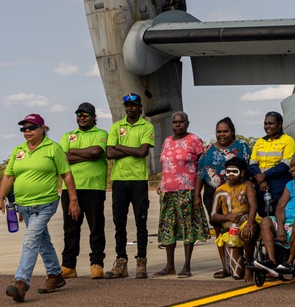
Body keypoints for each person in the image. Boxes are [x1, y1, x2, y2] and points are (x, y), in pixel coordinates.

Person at [0, 113, 80, 302]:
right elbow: (9, 177)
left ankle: (21, 282)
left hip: (45, 203)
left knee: (30, 240)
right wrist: (0, 199)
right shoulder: (18, 150)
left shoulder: (53, 149)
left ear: (42, 128)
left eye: (31, 127)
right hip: (23, 205)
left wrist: (73, 200)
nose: (27, 131)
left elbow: (66, 175)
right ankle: (55, 275)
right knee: (42, 241)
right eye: (24, 129)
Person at [105, 93, 155, 279]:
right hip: (119, 180)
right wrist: (124, 150)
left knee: (140, 222)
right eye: (127, 105)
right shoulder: (116, 127)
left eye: (133, 105)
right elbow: (109, 153)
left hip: (138, 180)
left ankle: (141, 261)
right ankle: (121, 262)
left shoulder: (146, 126)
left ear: (140, 107)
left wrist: (120, 147)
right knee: (120, 223)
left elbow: (142, 152)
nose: (130, 108)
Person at [154, 112, 210, 278]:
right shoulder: (166, 141)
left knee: (187, 227)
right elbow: (167, 165)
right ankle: (169, 266)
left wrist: (198, 192)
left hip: (187, 190)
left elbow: (202, 166)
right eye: (175, 122)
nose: (178, 125)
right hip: (167, 191)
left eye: (181, 122)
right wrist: (161, 181)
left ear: (187, 123)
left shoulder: (194, 140)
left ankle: (186, 265)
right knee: (168, 227)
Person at [58, 102, 108, 281]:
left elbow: (96, 152)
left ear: (94, 117)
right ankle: (68, 266)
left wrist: (73, 152)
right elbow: (62, 158)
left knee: (96, 227)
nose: (82, 117)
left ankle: (97, 264)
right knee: (70, 229)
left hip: (93, 188)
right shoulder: (68, 135)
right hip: (70, 189)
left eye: (86, 114)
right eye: (79, 114)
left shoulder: (101, 134)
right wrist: (83, 154)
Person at [197, 117, 252, 278]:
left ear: (232, 132)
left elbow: (249, 169)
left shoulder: (241, 147)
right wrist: (196, 196)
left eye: (225, 131)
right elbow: (200, 173)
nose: (222, 134)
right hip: (213, 194)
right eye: (219, 131)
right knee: (219, 228)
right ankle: (225, 267)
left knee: (238, 227)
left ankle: (242, 264)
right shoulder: (208, 150)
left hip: (237, 193)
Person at [211, 157, 259, 281]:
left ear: (242, 173)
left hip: (245, 223)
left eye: (234, 172)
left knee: (248, 234)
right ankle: (241, 260)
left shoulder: (247, 185)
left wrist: (249, 224)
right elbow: (213, 216)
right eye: (228, 172)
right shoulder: (220, 190)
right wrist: (228, 216)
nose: (231, 175)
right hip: (230, 230)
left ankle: (249, 265)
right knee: (237, 276)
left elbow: (253, 205)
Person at [249, 111, 295, 214]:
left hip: (278, 183)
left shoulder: (288, 141)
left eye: (271, 123)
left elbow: (285, 164)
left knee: (277, 213)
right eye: (265, 124)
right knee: (262, 213)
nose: (267, 126)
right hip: (261, 184)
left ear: (280, 124)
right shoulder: (260, 142)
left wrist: (264, 176)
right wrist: (261, 180)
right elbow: (253, 163)